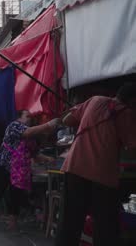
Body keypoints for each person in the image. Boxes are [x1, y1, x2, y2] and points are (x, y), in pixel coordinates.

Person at [55, 83, 136, 246]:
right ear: (133, 100)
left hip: (75, 168)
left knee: (70, 222)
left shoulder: (95, 100)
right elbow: (132, 147)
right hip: (103, 176)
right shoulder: (128, 114)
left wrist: (82, 112)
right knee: (105, 225)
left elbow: (66, 120)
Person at [0, 110, 58, 230]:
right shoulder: (14, 126)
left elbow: (34, 154)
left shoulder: (32, 136)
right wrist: (48, 125)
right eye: (27, 116)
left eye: (31, 117)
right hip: (4, 164)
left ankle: (12, 223)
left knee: (16, 194)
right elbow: (26, 133)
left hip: (19, 170)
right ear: (19, 117)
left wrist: (48, 158)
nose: (30, 118)